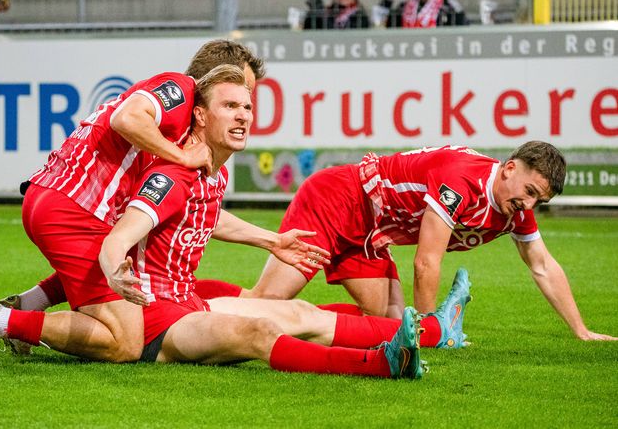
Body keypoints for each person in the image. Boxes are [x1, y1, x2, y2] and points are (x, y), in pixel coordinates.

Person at [0, 65, 473, 378]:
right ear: (200, 114)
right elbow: (129, 226)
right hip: (161, 318)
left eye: (248, 106)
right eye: (231, 105)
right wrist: (111, 259)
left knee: (298, 310)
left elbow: (207, 218)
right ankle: (385, 364)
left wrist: (272, 240)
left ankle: (427, 331)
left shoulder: (212, 174)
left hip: (181, 298)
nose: (244, 115)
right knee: (259, 330)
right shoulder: (177, 170)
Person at [197, 142, 618, 343]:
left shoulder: (515, 208)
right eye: (527, 191)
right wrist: (432, 328)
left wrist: (581, 330)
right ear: (509, 168)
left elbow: (543, 265)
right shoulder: (463, 180)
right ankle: (190, 306)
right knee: (267, 300)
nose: (527, 205)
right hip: (338, 200)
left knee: (391, 327)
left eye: (537, 201)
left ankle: (300, 317)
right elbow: (425, 263)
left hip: (371, 234)